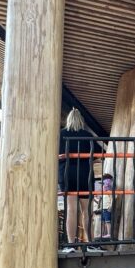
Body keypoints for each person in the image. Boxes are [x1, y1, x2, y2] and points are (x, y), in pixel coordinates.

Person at [58, 108, 99, 252]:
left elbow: (55, 153)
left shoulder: (61, 135)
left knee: (71, 209)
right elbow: (97, 154)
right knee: (87, 211)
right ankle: (91, 243)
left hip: (67, 174)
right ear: (81, 120)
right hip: (84, 174)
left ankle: (71, 244)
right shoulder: (87, 136)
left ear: (68, 119)